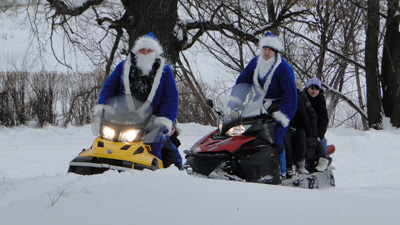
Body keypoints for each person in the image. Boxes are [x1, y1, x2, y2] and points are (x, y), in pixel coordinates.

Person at [97, 32, 178, 160]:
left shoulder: (165, 71)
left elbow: (170, 97)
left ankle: (153, 169)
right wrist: (105, 108)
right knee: (106, 140)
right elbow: (109, 88)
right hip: (122, 117)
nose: (145, 52)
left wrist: (163, 119)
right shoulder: (123, 67)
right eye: (142, 50)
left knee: (153, 145)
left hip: (151, 121)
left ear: (155, 52)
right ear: (136, 51)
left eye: (149, 50)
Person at [234, 31, 297, 177]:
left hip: (278, 107)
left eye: (270, 49)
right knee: (247, 130)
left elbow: (290, 94)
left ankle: (284, 169)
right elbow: (243, 81)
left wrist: (282, 114)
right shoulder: (255, 63)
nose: (266, 52)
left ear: (275, 51)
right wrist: (235, 103)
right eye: (264, 48)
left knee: (276, 134)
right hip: (257, 105)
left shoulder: (283, 68)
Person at [284, 79, 318, 176]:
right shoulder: (282, 96)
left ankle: (297, 164)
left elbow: (305, 115)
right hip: (285, 125)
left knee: (298, 136)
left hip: (297, 126)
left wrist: (310, 132)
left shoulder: (298, 98)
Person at [302, 77, 330, 172]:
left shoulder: (320, 99)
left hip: (317, 127)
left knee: (322, 141)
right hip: (305, 125)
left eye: (316, 89)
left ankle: (323, 158)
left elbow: (324, 117)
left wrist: (320, 133)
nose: (314, 91)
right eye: (312, 88)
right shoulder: (302, 97)